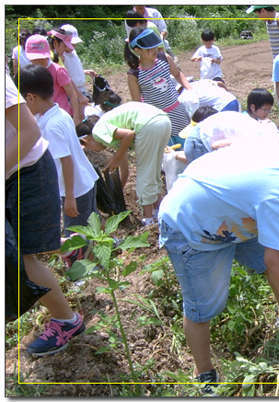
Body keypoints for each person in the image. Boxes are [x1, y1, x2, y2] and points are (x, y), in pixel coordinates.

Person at [157, 104, 279, 393]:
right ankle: (204, 372)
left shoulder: (272, 141)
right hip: (191, 228)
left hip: (227, 212)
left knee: (268, 263)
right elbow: (277, 262)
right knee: (202, 307)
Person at [5, 72, 85, 356]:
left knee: (20, 259)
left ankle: (67, 321)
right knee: (25, 247)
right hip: (10, 173)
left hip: (25, 172)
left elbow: (29, 132)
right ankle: (68, 247)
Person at [19, 64, 99, 252]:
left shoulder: (51, 126)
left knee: (74, 238)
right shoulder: (59, 112)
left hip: (75, 190)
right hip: (84, 182)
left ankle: (84, 265)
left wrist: (69, 198)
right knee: (90, 229)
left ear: (31, 97)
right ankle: (98, 254)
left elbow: (66, 161)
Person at [76, 101, 171, 226]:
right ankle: (161, 209)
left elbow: (129, 134)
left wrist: (116, 158)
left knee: (145, 173)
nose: (94, 151)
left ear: (86, 140)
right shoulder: (114, 134)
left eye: (89, 148)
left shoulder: (97, 131)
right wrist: (115, 192)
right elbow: (125, 171)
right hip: (162, 120)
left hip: (148, 125)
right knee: (153, 171)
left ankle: (148, 219)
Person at [126, 27, 191, 147]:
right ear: (137, 50)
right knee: (169, 150)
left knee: (187, 144)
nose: (154, 50)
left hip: (178, 112)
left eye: (154, 47)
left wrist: (189, 88)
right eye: (148, 49)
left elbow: (177, 74)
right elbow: (137, 102)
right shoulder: (134, 74)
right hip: (159, 119)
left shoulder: (164, 58)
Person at [24, 34, 83, 125]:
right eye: (34, 59)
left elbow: (72, 94)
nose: (38, 61)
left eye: (41, 58)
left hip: (61, 116)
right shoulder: (31, 73)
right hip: (42, 117)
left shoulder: (58, 71)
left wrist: (76, 117)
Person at [48, 27, 96, 118]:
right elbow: (67, 81)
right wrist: (79, 96)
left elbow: (67, 77)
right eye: (64, 46)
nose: (65, 49)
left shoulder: (58, 57)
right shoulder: (52, 59)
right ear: (56, 43)